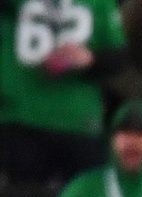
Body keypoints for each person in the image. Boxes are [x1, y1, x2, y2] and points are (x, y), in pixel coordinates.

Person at [0, 0, 127, 183]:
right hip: (22, 116)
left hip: (78, 120)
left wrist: (90, 59)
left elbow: (118, 58)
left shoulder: (101, 3)